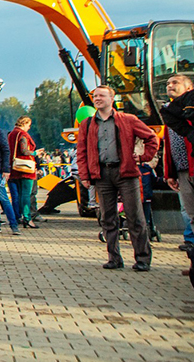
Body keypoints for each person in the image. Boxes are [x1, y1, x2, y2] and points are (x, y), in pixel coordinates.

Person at [77, 85, 159, 271]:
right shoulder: (88, 124)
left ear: (111, 99)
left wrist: (144, 157)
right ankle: (114, 258)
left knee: (135, 217)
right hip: (101, 175)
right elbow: (81, 151)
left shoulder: (127, 120)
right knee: (107, 218)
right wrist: (84, 175)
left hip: (126, 173)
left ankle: (142, 258)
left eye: (101, 96)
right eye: (95, 96)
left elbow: (152, 138)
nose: (97, 99)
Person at [161, 73, 194, 266]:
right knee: (191, 215)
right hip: (182, 172)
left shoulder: (190, 110)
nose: (170, 85)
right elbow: (169, 146)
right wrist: (170, 174)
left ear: (189, 88)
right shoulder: (170, 113)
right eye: (168, 83)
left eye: (175, 82)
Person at [7, 117, 40, 229]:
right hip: (25, 168)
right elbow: (24, 150)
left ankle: (18, 216)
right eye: (28, 125)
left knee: (19, 195)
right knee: (26, 194)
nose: (29, 127)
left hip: (14, 168)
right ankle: (27, 218)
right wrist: (35, 152)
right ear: (24, 123)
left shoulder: (11, 134)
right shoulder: (22, 134)